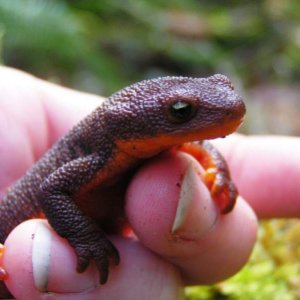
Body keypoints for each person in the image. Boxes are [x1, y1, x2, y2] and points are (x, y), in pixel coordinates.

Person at [0, 66, 299, 299]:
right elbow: (52, 190)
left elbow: (203, 147)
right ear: (130, 125)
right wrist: (86, 238)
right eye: (181, 112)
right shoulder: (102, 151)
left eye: (227, 87)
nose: (233, 107)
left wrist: (219, 170)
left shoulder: (160, 143)